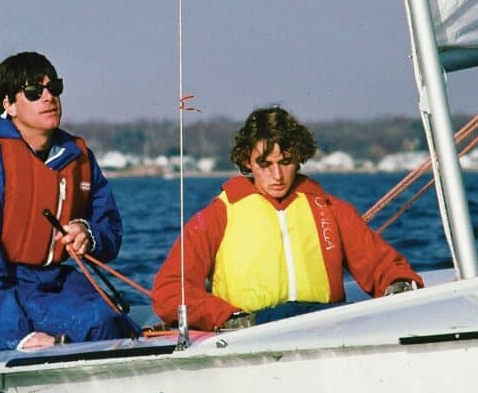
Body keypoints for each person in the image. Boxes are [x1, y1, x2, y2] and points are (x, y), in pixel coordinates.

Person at [152, 106, 423, 331]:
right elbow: (170, 290)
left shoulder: (330, 209)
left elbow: (384, 266)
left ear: (299, 159)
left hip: (325, 323)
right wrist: (224, 317)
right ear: (247, 161)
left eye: (286, 162)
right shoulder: (218, 215)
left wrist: (397, 284)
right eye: (265, 164)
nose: (277, 176)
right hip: (254, 329)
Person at [0, 51, 139, 352]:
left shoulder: (79, 156)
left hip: (57, 282)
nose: (48, 97)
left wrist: (88, 234)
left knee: (118, 321)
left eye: (54, 88)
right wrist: (17, 333)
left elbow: (110, 229)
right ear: (7, 105)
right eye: (34, 91)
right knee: (96, 321)